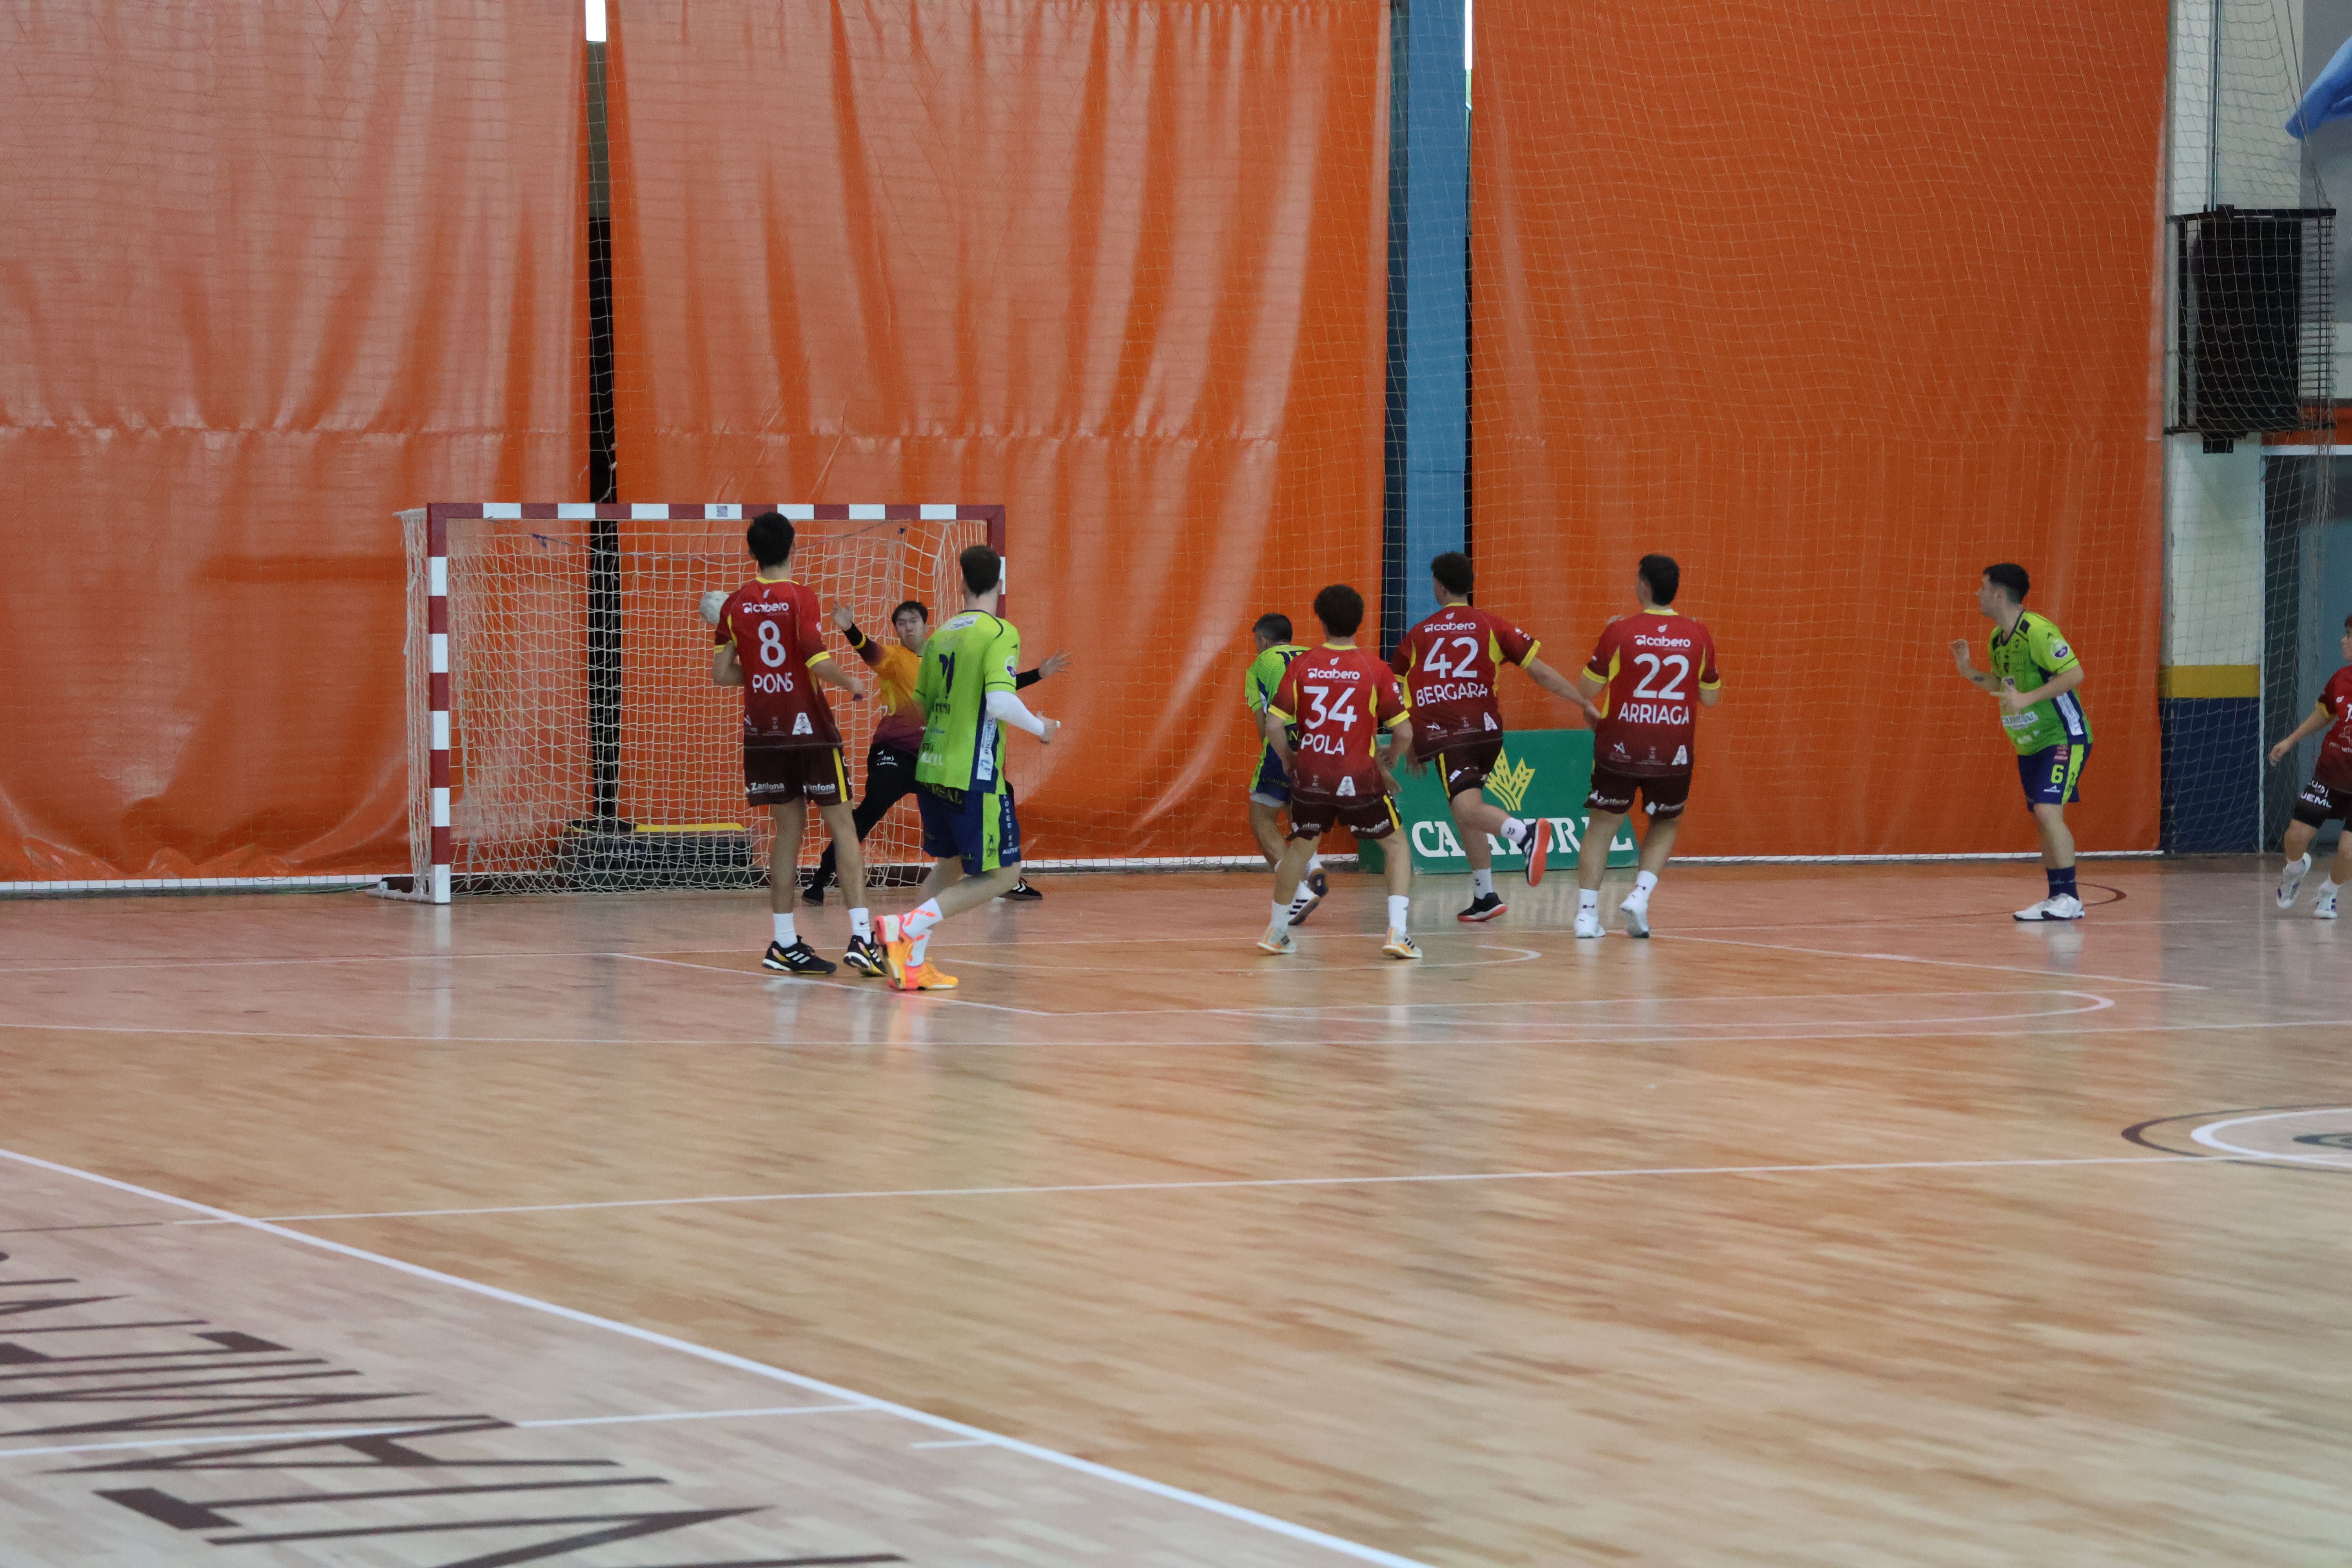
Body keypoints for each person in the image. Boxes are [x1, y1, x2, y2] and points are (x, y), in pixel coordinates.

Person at [876, 545, 1062, 992]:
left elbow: (918, 707)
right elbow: (999, 701)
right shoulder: (999, 632)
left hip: (933, 767)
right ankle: (906, 927)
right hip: (972, 773)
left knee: (949, 866)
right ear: (1000, 585)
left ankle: (912, 964)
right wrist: (1041, 728)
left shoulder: (939, 635)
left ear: (961, 584)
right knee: (1005, 874)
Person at [706, 512, 878, 975]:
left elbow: (722, 675)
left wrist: (763, 673)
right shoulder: (800, 596)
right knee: (843, 825)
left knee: (787, 832)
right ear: (793, 548)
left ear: (752, 553)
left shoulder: (736, 603)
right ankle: (862, 938)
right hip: (809, 728)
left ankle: (784, 942)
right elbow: (815, 656)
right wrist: (853, 685)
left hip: (762, 732)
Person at [807, 599, 1067, 905]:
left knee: (1001, 792)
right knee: (871, 810)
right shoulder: (894, 657)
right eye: (901, 623)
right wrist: (850, 629)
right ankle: (820, 879)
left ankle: (1003, 878)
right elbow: (869, 651)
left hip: (933, 756)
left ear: (926, 624)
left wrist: (1038, 673)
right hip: (895, 753)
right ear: (897, 630)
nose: (908, 627)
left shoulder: (940, 655)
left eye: (913, 620)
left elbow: (992, 690)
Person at [1392, 551, 1602, 922]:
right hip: (1488, 732)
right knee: (1468, 808)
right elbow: (1541, 672)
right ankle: (1485, 895)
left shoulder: (1420, 634)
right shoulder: (1492, 625)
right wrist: (1581, 700)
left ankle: (1524, 833)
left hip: (1447, 732)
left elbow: (1393, 692)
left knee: (1464, 808)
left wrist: (1404, 739)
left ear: (1439, 586)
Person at [1259, 584, 1421, 960]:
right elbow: (1405, 732)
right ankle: (1397, 933)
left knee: (1300, 848)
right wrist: (1392, 757)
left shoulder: (1302, 664)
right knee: (1396, 846)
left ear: (1321, 620)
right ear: (1360, 621)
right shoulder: (1375, 669)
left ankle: (1276, 932)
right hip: (1358, 775)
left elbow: (1272, 725)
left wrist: (1287, 759)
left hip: (1312, 771)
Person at [1573, 554, 1722, 939]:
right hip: (1673, 748)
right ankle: (1640, 896)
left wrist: (1605, 640)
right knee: (1666, 821)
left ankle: (1587, 916)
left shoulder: (1620, 631)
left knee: (1602, 825)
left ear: (1643, 586)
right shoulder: (1698, 634)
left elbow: (1587, 689)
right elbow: (1710, 699)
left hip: (1619, 745)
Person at [1947, 562, 2091, 921]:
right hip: (2029, 742)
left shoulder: (2039, 632)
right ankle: (2057, 896)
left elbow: (2075, 674)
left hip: (2063, 735)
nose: (1977, 594)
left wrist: (2028, 699)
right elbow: (2003, 686)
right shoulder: (1997, 639)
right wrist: (1969, 672)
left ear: (1999, 594)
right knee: (2043, 818)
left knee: (2047, 811)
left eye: (1982, 588)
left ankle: (2071, 898)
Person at [1242, 613, 1328, 924]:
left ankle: (1297, 894)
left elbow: (1264, 723)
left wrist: (1272, 752)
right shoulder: (1314, 656)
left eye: (1256, 642)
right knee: (1297, 807)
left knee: (1262, 818)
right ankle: (1313, 867)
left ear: (1263, 641)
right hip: (1323, 742)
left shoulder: (1260, 664)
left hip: (1286, 739)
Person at [2268, 611, 2352, 919]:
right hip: (2331, 775)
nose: (2344, 640)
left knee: (2348, 852)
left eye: (2349, 635)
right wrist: (2290, 741)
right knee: (2296, 837)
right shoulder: (2342, 680)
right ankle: (2295, 868)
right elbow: (2325, 714)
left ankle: (2329, 893)